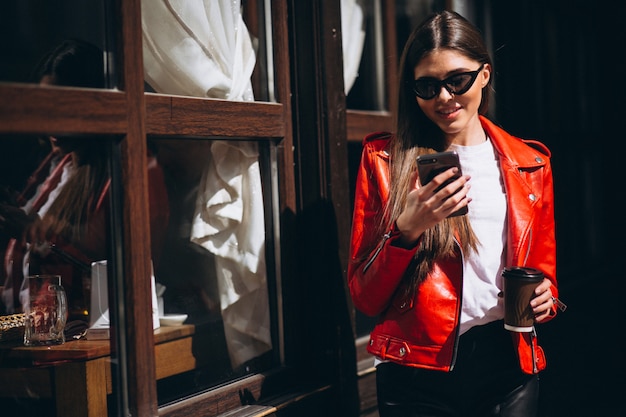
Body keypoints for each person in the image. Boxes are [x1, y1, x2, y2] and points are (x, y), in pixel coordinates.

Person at [348, 10, 563, 417]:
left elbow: (543, 277)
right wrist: (406, 230)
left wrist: (545, 299)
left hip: (507, 366)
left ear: (484, 75)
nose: (444, 98)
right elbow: (365, 296)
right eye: (427, 86)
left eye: (457, 80)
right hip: (416, 373)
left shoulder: (530, 164)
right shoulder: (384, 161)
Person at [0, 39, 169, 321]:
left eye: (62, 108)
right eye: (44, 108)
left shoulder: (131, 170)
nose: (49, 122)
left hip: (90, 336)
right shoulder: (58, 165)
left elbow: (127, 276)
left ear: (94, 105)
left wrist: (36, 232)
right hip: (33, 331)